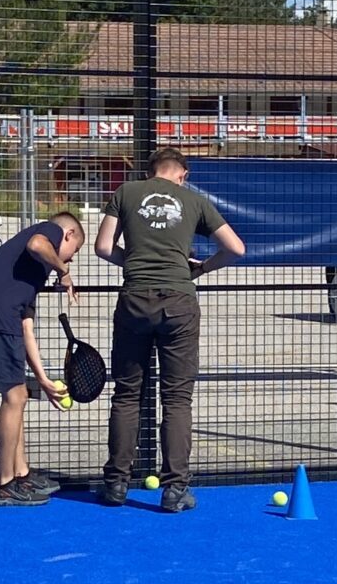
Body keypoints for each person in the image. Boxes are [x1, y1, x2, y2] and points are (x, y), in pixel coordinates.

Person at [94, 149, 245, 512]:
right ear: (182, 174)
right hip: (179, 301)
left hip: (135, 298)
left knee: (127, 394)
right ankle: (175, 489)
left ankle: (116, 483)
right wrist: (201, 268)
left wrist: (133, 261)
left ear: (150, 172)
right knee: (177, 399)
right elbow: (236, 248)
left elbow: (103, 247)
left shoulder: (126, 192)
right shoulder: (194, 201)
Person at [0, 208, 84, 506]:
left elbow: (26, 328)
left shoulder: (31, 275)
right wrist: (63, 272)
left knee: (18, 394)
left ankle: (21, 474)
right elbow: (37, 244)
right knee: (15, 397)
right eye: (74, 251)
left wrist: (43, 379)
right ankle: (4, 483)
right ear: (68, 235)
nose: (71, 259)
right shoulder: (49, 232)